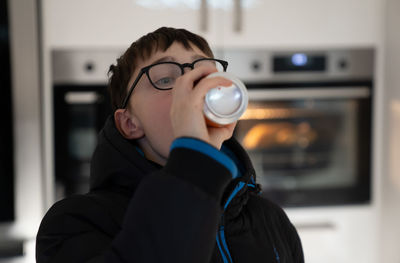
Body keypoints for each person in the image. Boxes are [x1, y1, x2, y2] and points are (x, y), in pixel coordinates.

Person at [36, 27, 304, 263]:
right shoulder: (74, 222)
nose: (192, 88)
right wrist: (195, 161)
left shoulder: (270, 219)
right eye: (165, 79)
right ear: (130, 123)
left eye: (202, 74)